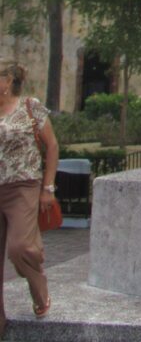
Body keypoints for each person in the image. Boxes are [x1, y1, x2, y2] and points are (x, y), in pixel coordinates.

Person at [0, 59, 59, 335]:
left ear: (8, 81)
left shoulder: (30, 106)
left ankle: (39, 290)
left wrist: (48, 188)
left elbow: (52, 146)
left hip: (23, 187)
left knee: (20, 247)